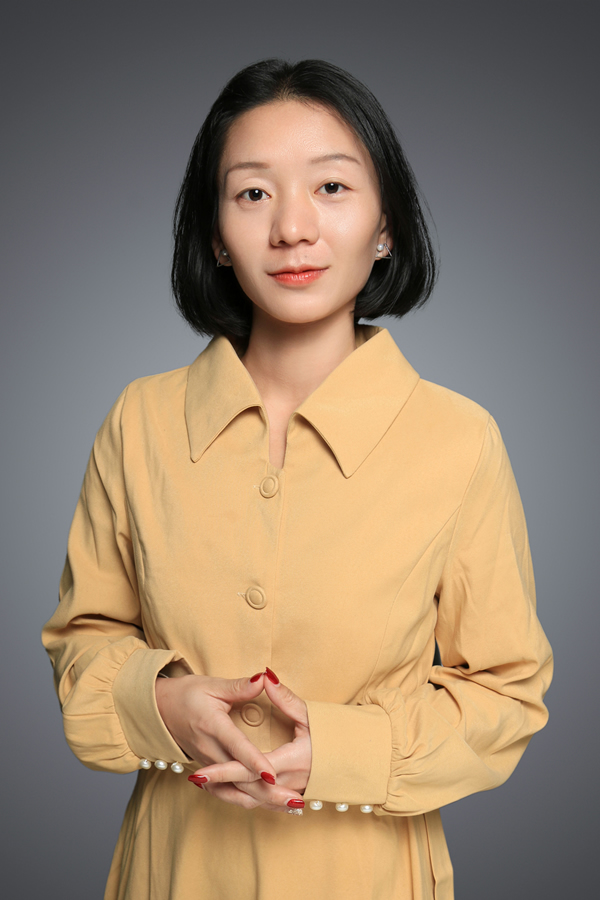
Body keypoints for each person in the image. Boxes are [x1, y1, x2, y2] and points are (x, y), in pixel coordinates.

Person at [42, 58, 553, 900]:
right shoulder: (141, 421)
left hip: (368, 873)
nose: (292, 228)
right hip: (175, 869)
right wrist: (161, 705)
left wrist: (346, 754)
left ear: (385, 226)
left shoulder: (459, 441)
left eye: (331, 188)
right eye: (252, 193)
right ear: (215, 234)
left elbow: (505, 695)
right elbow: (83, 642)